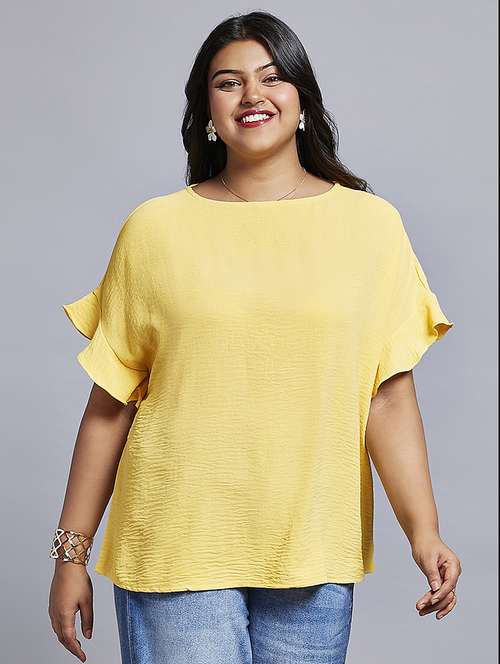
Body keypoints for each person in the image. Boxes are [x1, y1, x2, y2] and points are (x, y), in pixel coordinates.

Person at [48, 10, 462, 664]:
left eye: (271, 77)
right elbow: (109, 404)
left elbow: (386, 396)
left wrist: (424, 531)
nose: (251, 95)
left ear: (302, 99)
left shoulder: (371, 227)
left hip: (314, 549)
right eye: (228, 82)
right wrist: (70, 555)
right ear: (208, 110)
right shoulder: (155, 229)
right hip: (175, 543)